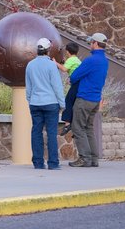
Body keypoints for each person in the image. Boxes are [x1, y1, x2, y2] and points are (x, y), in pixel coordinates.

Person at [68, 32, 109, 167]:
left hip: (84, 98)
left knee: (78, 127)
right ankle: (93, 159)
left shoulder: (90, 60)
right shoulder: (104, 61)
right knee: (89, 128)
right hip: (96, 99)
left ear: (95, 43)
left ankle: (84, 158)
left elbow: (74, 76)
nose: (89, 45)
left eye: (91, 42)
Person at [25, 37, 65, 170]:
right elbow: (57, 86)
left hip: (35, 103)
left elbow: (29, 87)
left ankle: (38, 162)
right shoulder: (51, 65)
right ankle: (53, 163)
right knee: (51, 133)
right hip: (51, 103)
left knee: (36, 132)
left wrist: (30, 100)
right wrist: (62, 104)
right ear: (48, 51)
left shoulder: (30, 65)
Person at [56, 42, 82, 136]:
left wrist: (54, 62)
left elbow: (64, 69)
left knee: (68, 101)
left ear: (68, 51)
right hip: (79, 84)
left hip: (76, 84)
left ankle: (67, 124)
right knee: (75, 103)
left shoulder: (71, 60)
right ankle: (75, 125)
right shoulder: (77, 60)